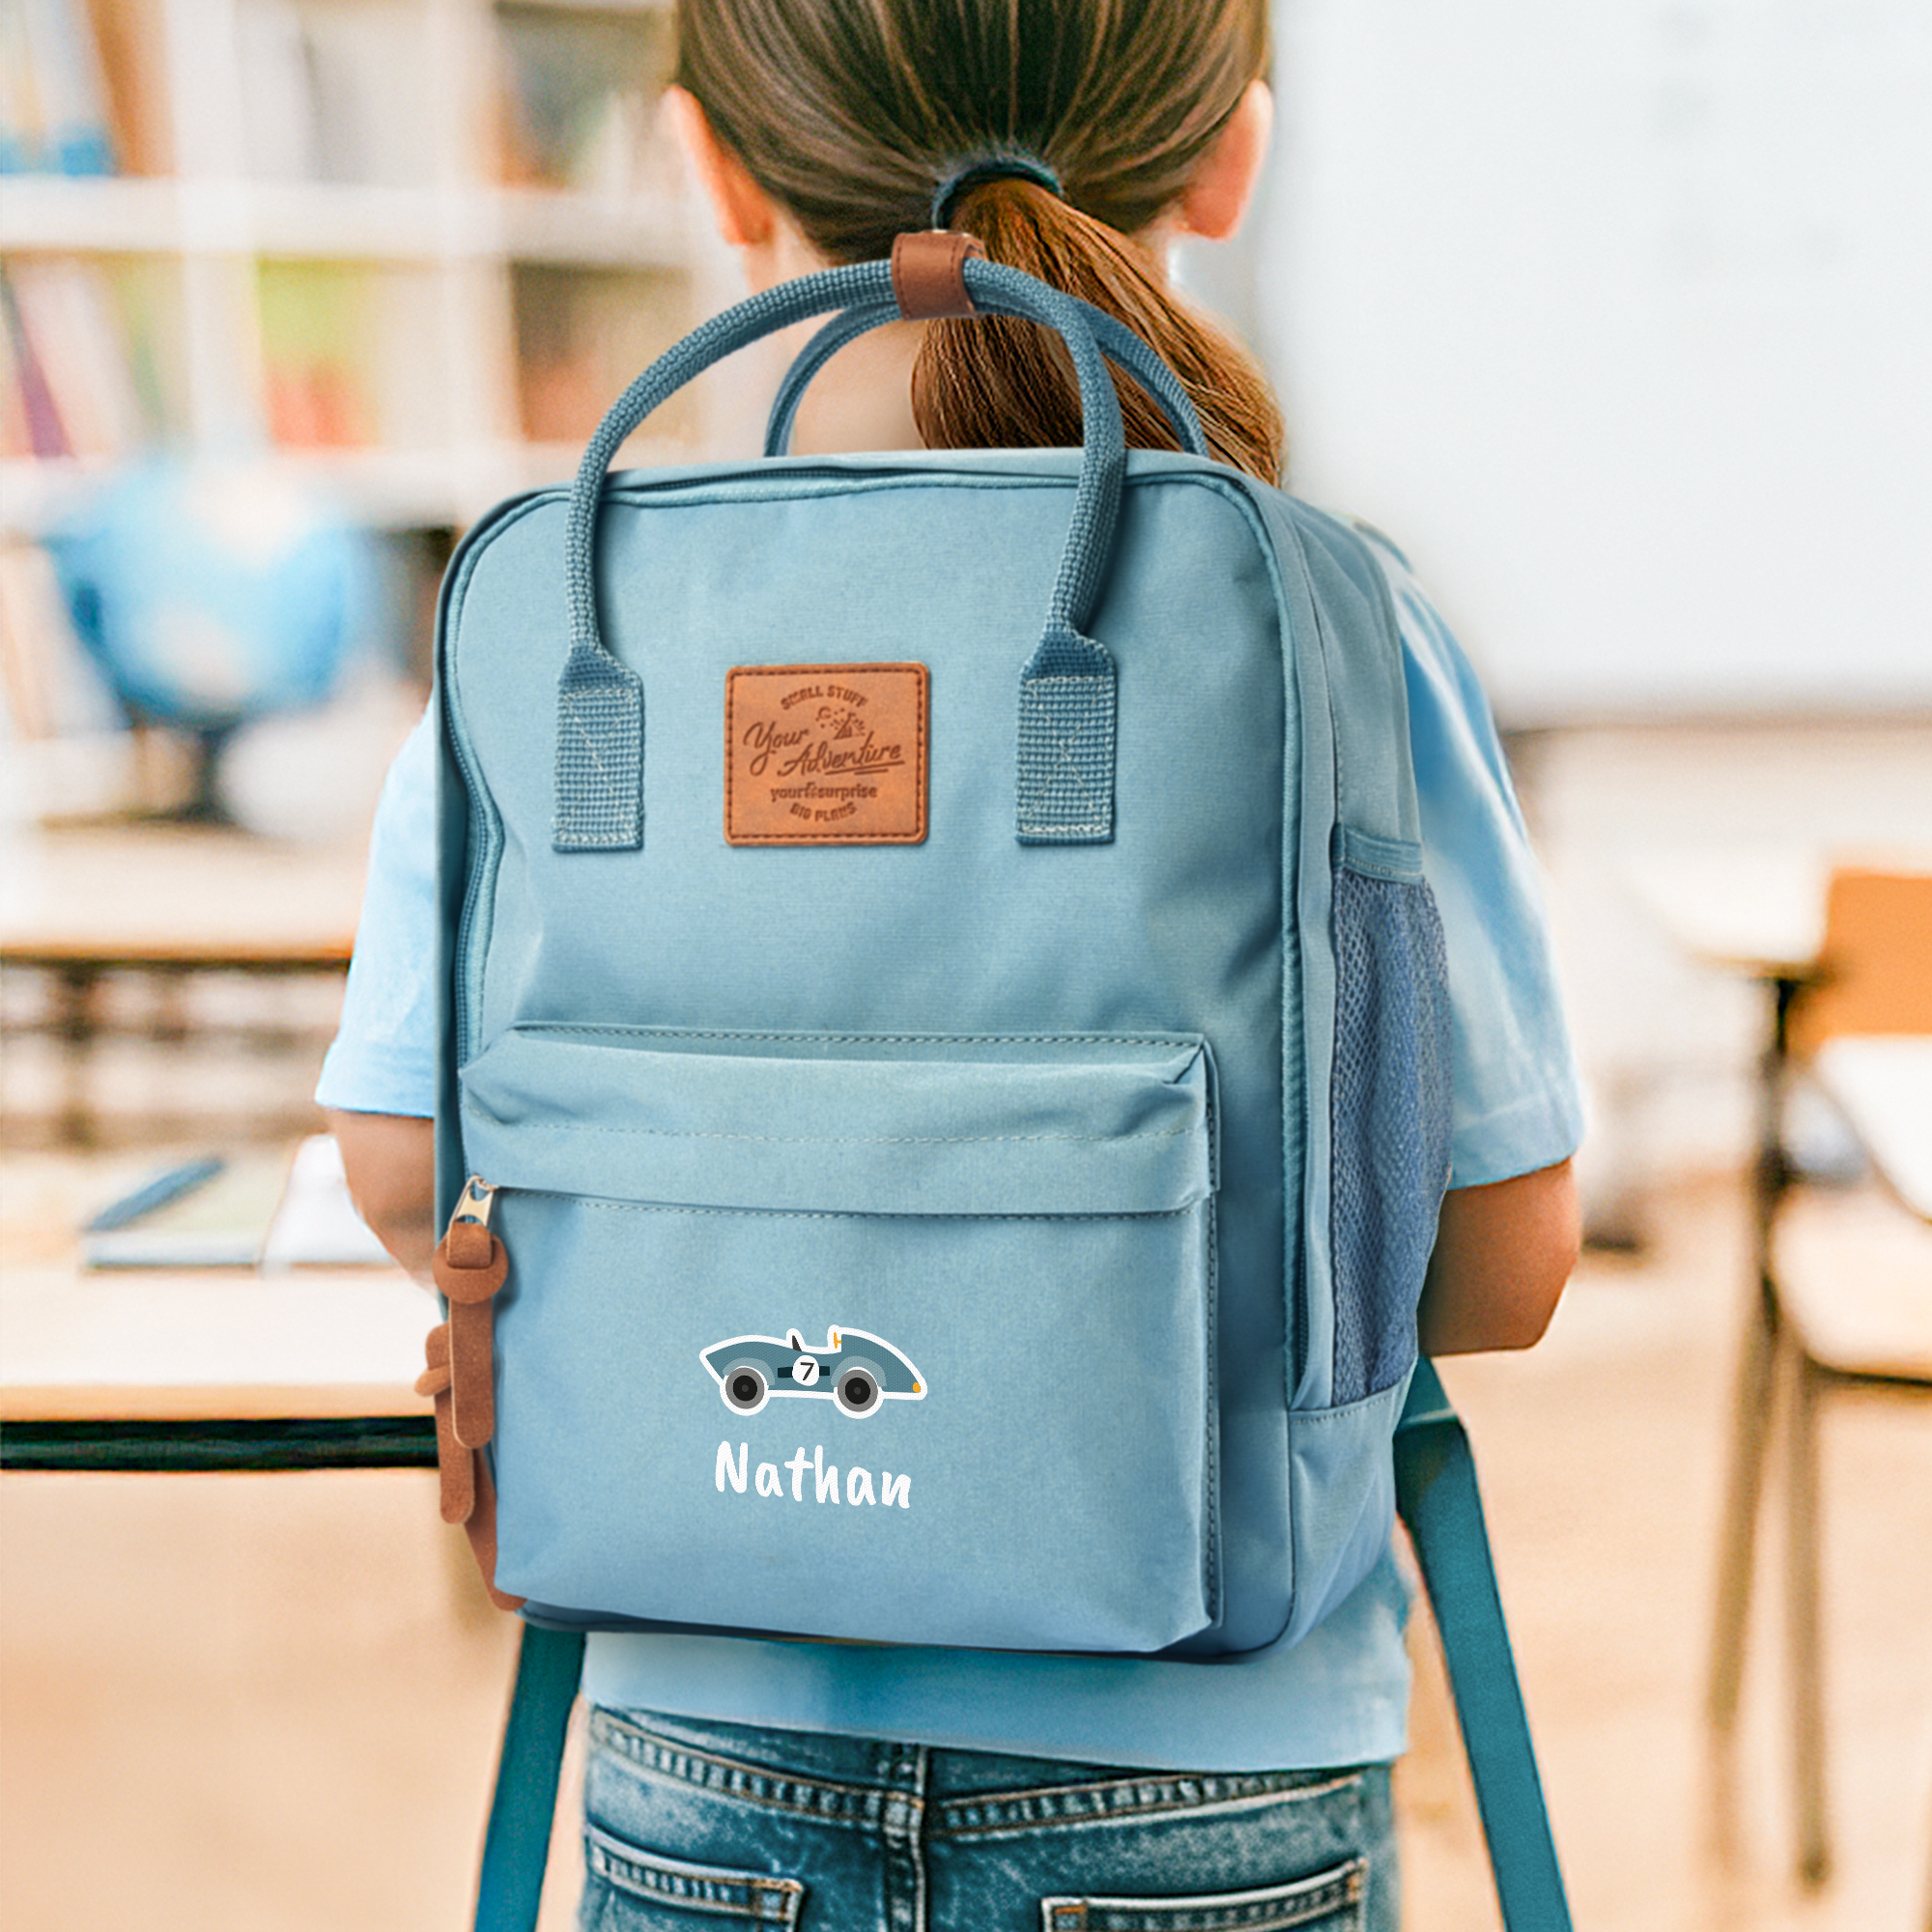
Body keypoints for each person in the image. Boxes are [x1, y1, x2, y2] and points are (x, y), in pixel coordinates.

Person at [320, 3, 1584, 1925]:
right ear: (1230, 153)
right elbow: (1499, 1265)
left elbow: (411, 1171)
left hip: (699, 1741)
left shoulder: (576, 609)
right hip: (1200, 1770)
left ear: (703, 164)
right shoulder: (1342, 613)